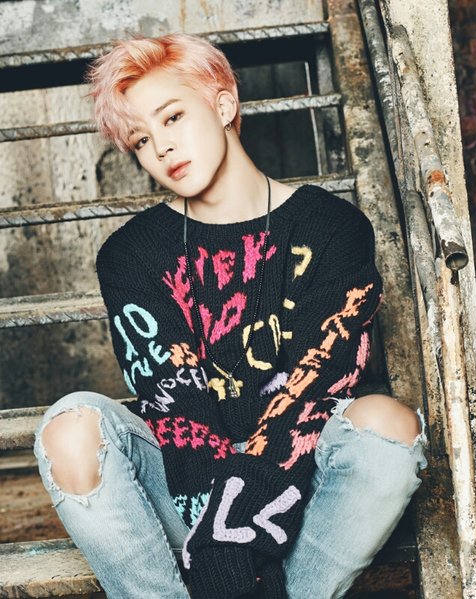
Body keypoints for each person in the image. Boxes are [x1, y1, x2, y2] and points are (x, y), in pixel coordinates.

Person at [34, 32, 428, 599]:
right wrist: (221, 542)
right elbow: (178, 411)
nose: (162, 148)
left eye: (173, 117)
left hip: (303, 482)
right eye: (141, 140)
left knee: (388, 426)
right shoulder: (132, 255)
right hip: (186, 487)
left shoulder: (330, 228)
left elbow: (313, 391)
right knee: (69, 425)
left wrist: (236, 540)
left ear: (222, 104)